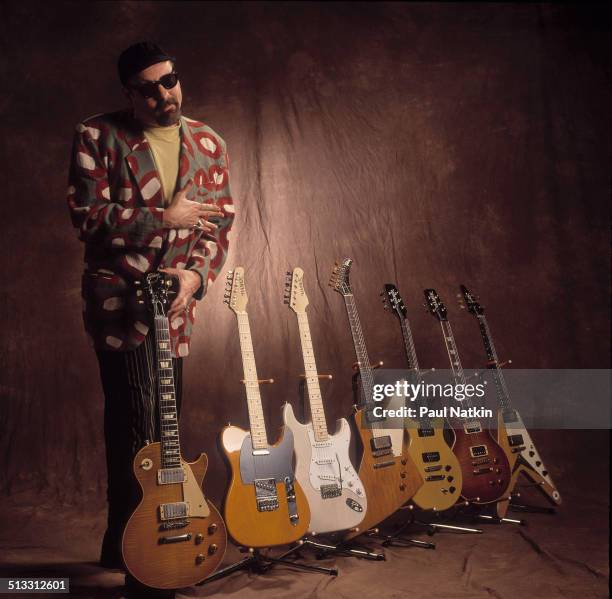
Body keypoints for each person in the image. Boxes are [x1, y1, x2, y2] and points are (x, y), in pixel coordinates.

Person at [66, 42, 234, 584]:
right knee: (138, 428)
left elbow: (219, 228)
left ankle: (125, 545)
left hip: (178, 307)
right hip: (121, 305)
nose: (166, 93)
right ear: (129, 94)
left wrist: (195, 278)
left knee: (159, 424)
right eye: (151, 87)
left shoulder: (209, 142)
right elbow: (87, 218)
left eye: (171, 80)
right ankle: (145, 553)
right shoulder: (97, 136)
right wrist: (163, 217)